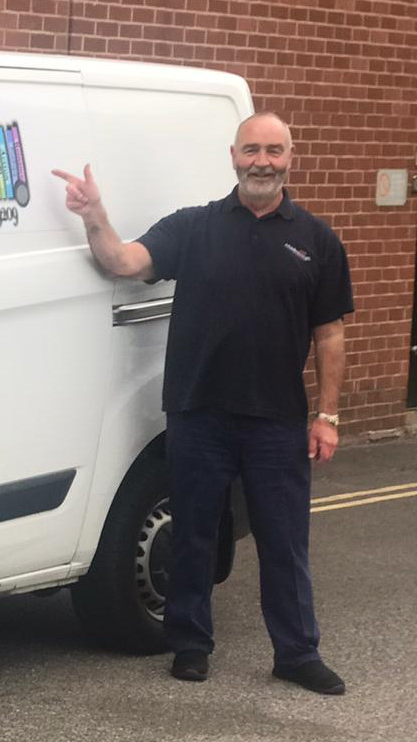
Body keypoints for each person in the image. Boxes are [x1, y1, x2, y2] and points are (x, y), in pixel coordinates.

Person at [52, 112, 354, 695]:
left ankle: (297, 653)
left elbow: (331, 334)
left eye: (273, 150)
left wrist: (328, 414)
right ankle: (189, 644)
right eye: (250, 150)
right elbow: (123, 261)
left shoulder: (317, 239)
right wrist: (95, 217)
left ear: (291, 158)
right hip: (198, 412)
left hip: (277, 419)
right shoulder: (193, 228)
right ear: (233, 155)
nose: (261, 161)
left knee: (284, 540)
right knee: (193, 531)